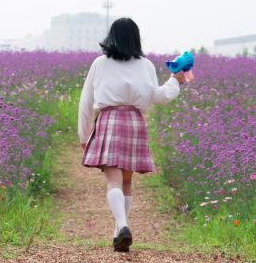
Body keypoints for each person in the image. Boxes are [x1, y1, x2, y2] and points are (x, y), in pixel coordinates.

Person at [78, 17, 185, 252]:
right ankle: (119, 231)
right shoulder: (145, 65)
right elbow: (159, 97)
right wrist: (175, 81)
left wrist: (83, 135)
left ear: (111, 37)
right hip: (134, 122)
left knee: (113, 180)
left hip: (110, 119)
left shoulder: (100, 63)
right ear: (136, 38)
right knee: (127, 181)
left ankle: (122, 225)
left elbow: (85, 102)